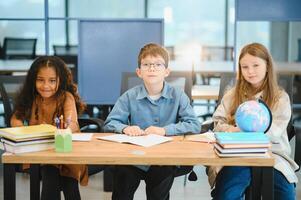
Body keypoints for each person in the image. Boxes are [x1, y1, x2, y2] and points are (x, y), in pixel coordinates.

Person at [104, 43, 201, 200]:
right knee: (122, 187)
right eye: (146, 65)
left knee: (158, 191)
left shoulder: (178, 95)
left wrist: (165, 130)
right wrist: (125, 129)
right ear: (139, 72)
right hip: (134, 158)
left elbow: (194, 125)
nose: (152, 68)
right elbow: (110, 123)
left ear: (166, 71)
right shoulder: (129, 96)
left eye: (157, 64)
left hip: (164, 158)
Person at [208, 43, 298, 200]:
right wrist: (232, 130)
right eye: (245, 67)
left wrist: (241, 132)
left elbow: (274, 133)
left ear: (267, 66)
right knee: (227, 195)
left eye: (256, 65)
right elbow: (217, 124)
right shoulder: (232, 95)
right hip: (236, 154)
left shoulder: (280, 98)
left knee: (286, 194)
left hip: (272, 155)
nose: (250, 71)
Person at [11, 56, 87, 200]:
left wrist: (63, 130)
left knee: (63, 175)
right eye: (40, 80)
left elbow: (73, 123)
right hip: (39, 152)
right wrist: (23, 131)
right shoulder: (31, 97)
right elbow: (15, 119)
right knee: (50, 169)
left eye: (52, 80)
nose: (46, 86)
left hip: (65, 151)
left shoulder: (66, 97)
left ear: (61, 80)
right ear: (33, 80)